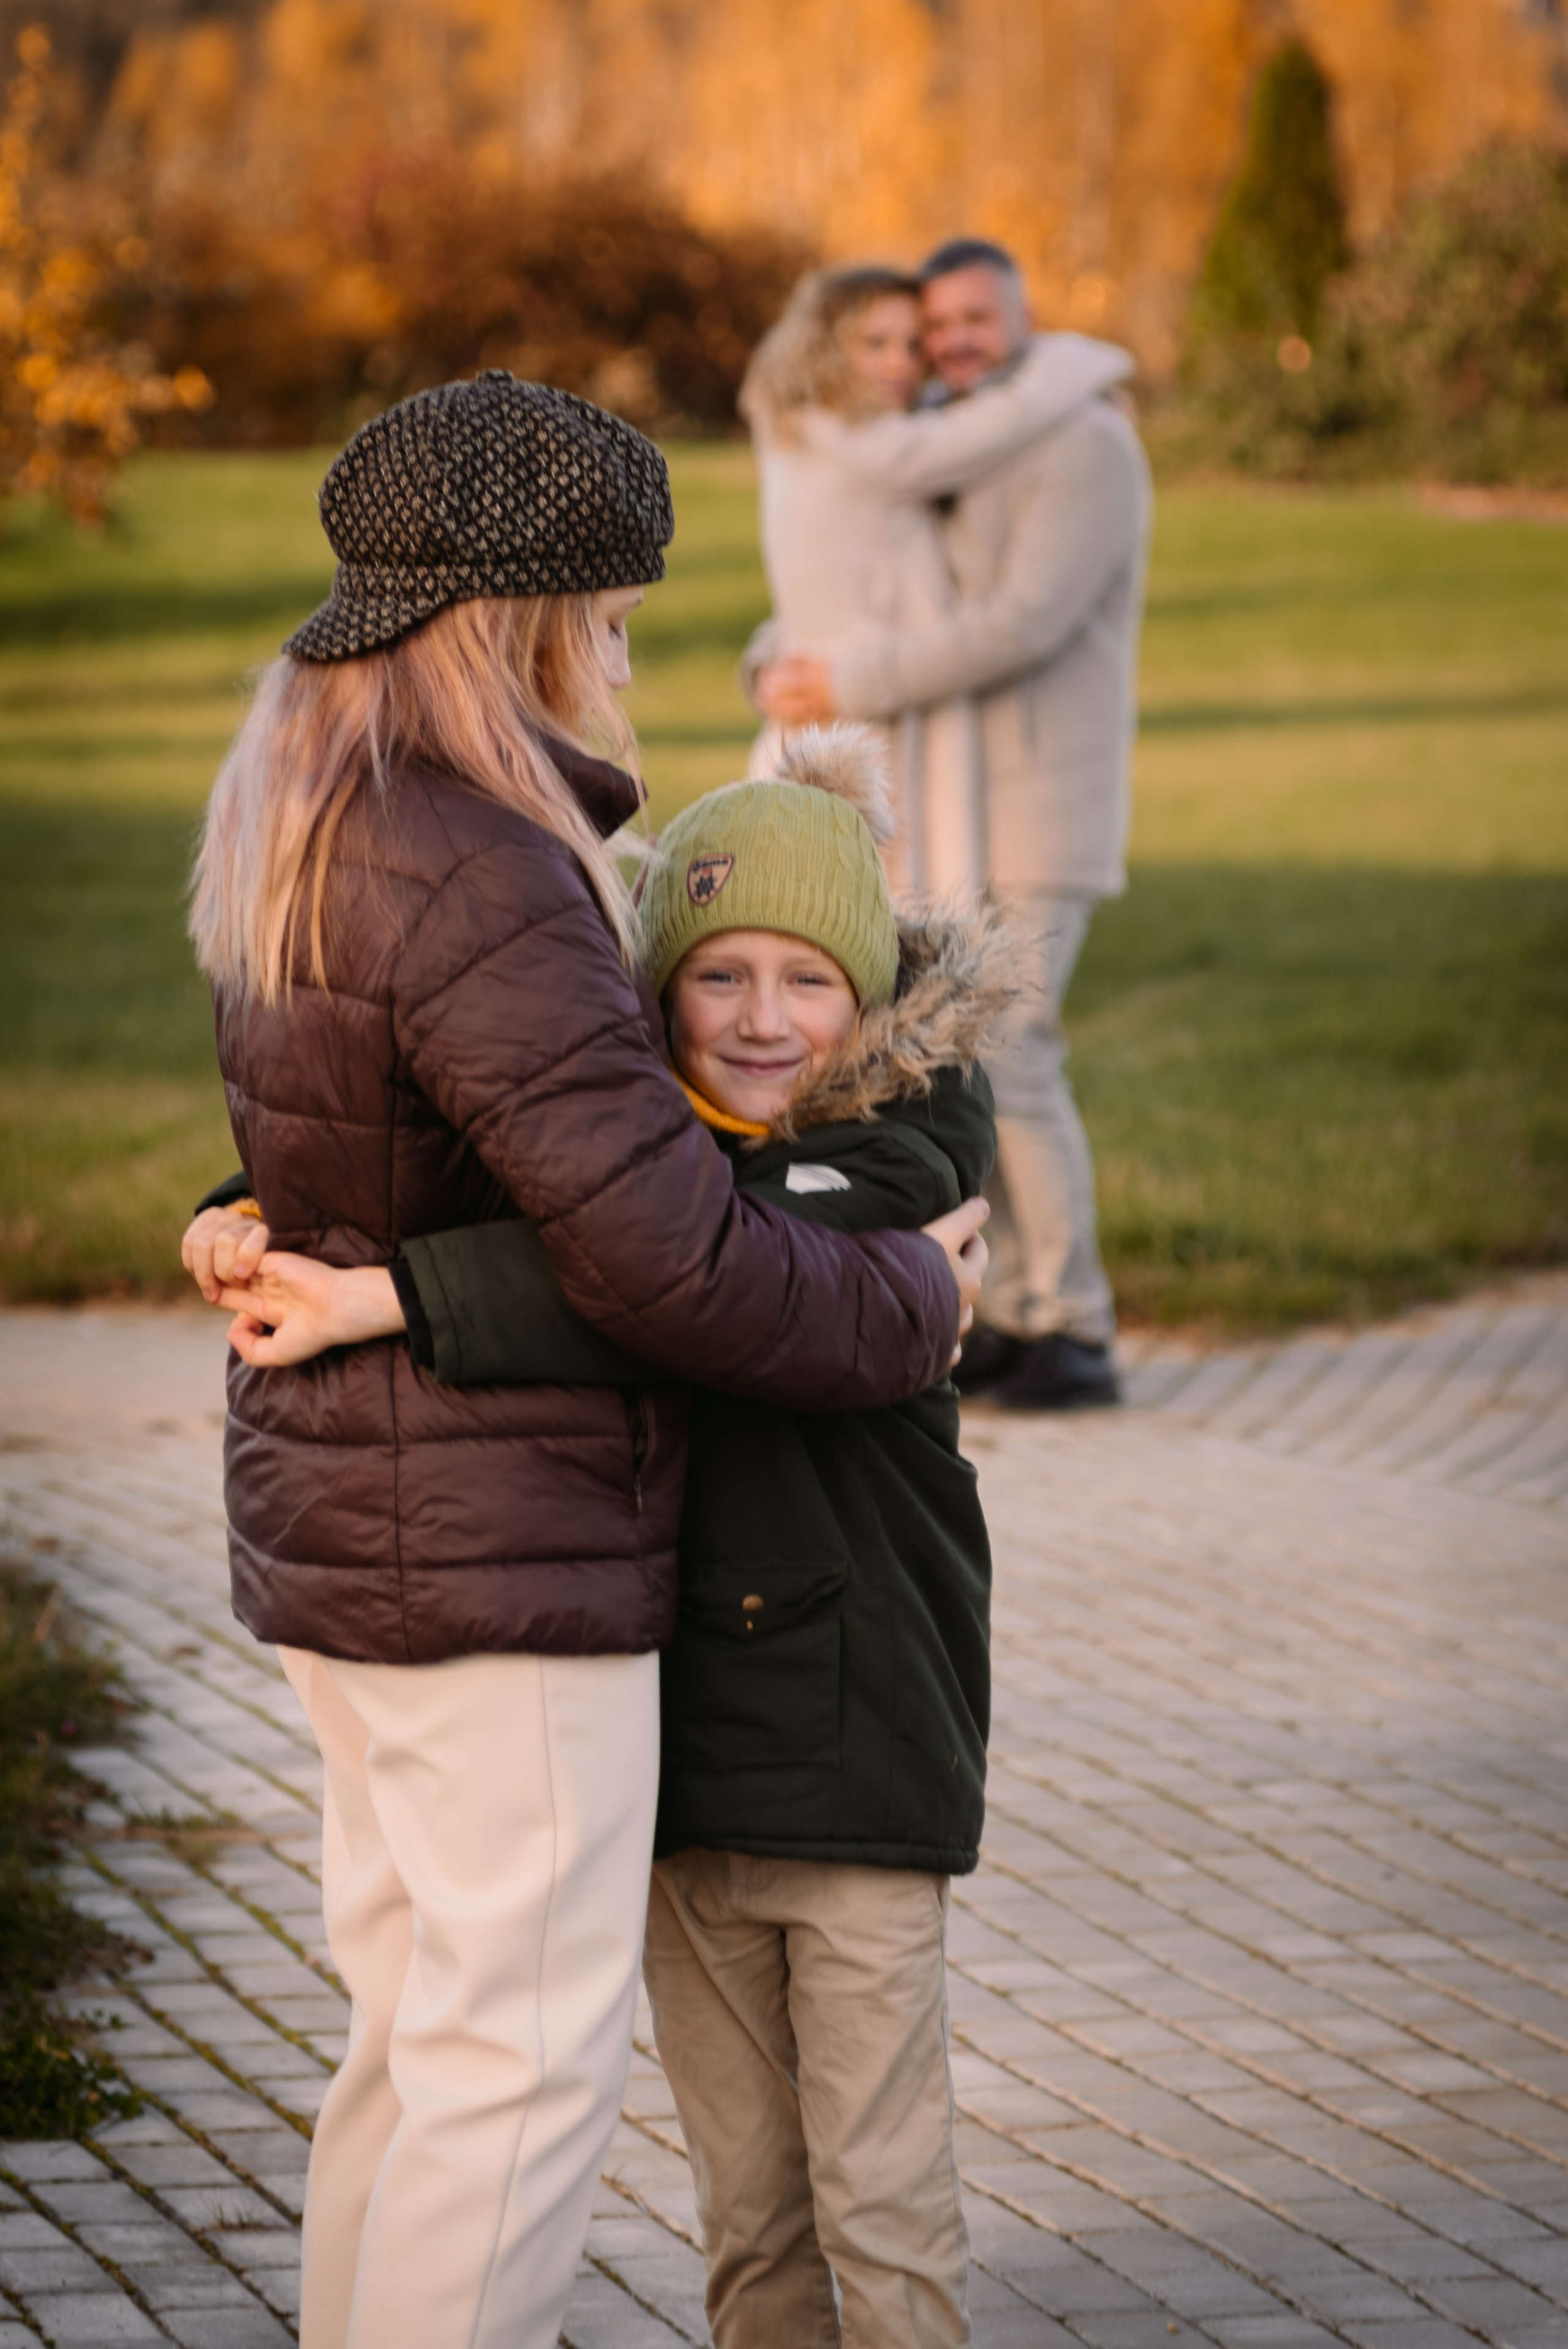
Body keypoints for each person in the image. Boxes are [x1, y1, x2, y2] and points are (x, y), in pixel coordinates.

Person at [182, 371, 987, 2349]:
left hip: (355, 1521)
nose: (621, 668)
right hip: (499, 1541)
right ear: (522, 623)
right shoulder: (485, 859)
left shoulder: (311, 811)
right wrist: (915, 1291)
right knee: (513, 2075)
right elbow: (671, 1256)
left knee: (414, 2047)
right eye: (611, 623)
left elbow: (364, 1158)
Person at [758, 238, 1153, 1413]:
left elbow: (1022, 621)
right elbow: (867, 582)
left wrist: (849, 679)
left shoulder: (1085, 443)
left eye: (977, 319)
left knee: (1017, 1055)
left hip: (1039, 804)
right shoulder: (945, 441)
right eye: (938, 327)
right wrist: (779, 663)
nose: (952, 343)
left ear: (1026, 318)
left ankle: (1071, 1321)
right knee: (966, 1066)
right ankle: (1011, 1311)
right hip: (957, 801)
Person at [738, 262, 1133, 897]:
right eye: (875, 343)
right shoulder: (863, 445)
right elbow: (994, 425)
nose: (903, 361)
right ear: (824, 348)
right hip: (858, 740)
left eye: (912, 344)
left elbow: (861, 581)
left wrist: (775, 662)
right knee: (855, 927)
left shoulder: (820, 437)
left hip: (869, 729)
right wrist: (1072, 368)